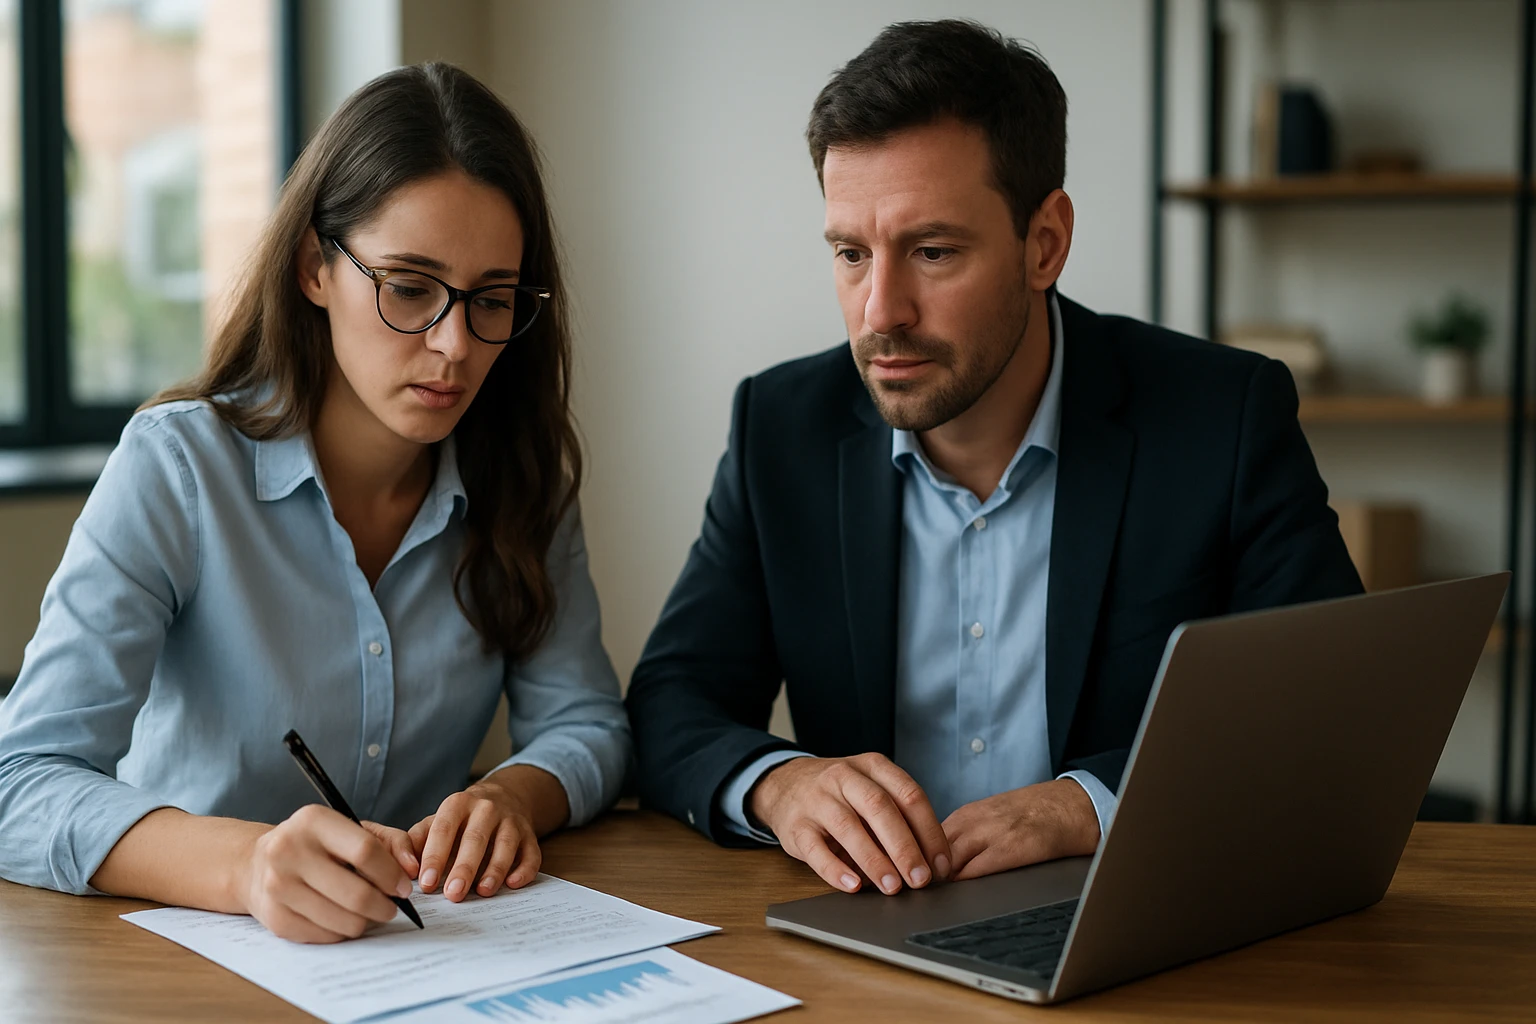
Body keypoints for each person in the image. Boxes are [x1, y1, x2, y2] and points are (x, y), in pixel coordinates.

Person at [626, 20, 1362, 898]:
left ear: (1044, 242)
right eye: (850, 254)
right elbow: (673, 700)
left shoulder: (1223, 416)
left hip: (1133, 920)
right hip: (867, 936)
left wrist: (1088, 804)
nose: (879, 311)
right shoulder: (779, 427)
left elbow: (1329, 710)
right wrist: (781, 786)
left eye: (932, 252)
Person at [0, 63, 630, 943]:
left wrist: (508, 796)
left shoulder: (520, 480)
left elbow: (586, 721)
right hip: (173, 963)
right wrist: (245, 866)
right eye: (410, 287)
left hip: (415, 960)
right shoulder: (179, 470)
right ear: (314, 268)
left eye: (491, 300)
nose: (453, 346)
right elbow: (21, 777)